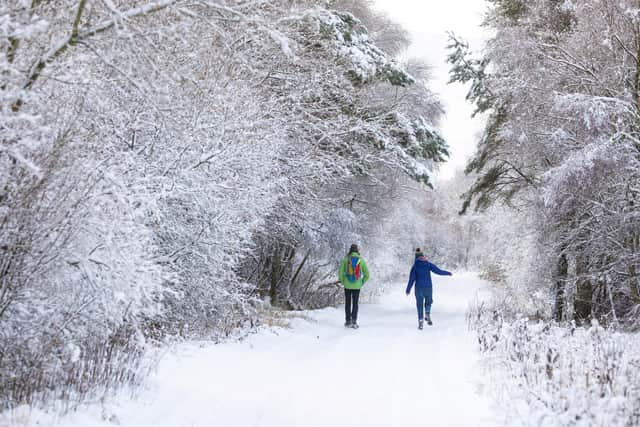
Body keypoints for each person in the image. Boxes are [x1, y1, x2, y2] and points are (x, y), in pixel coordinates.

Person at [405, 248, 452, 329]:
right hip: (428, 287)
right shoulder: (428, 264)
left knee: (419, 304)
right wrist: (447, 273)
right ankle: (427, 313)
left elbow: (411, 279)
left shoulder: (415, 266)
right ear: (423, 256)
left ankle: (420, 321)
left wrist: (408, 289)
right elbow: (438, 271)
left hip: (418, 288)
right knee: (429, 301)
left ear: (416, 258)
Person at [338, 244, 370, 329]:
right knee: (355, 304)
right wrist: (361, 283)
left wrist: (343, 281)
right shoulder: (361, 260)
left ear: (350, 250)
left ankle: (348, 321)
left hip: (347, 285)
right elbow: (367, 274)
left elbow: (340, 272)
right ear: (357, 250)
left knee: (348, 303)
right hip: (357, 286)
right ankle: (354, 321)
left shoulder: (345, 260)